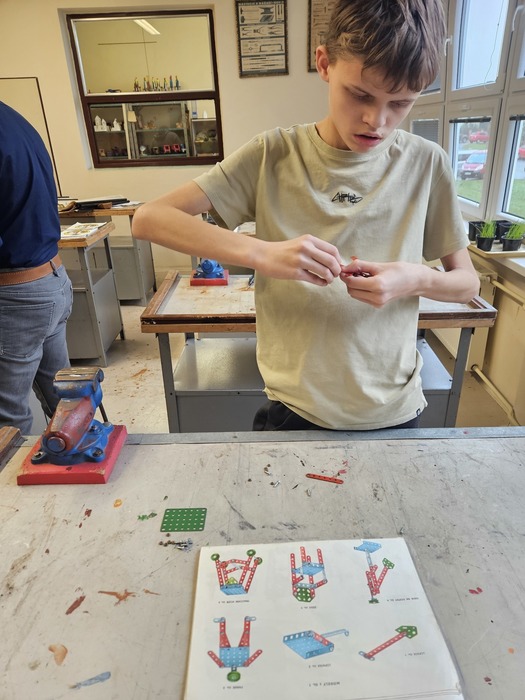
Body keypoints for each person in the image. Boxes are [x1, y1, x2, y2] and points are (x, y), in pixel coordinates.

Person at [132, 0, 480, 432]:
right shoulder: (273, 154)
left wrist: (414, 278)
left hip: (393, 408)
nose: (377, 120)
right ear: (324, 63)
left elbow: (467, 283)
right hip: (294, 408)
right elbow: (149, 218)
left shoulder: (427, 163)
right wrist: (262, 253)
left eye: (401, 103)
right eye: (360, 94)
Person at [0, 101, 73, 434]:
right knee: (65, 399)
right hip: (50, 279)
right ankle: (78, 458)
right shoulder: (13, 119)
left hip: (18, 296)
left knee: (7, 422)